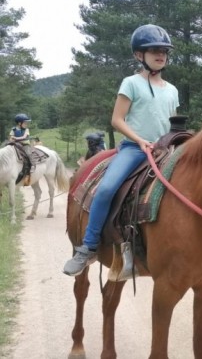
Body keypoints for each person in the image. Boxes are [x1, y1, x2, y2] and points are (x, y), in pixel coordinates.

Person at [64, 24, 179, 276]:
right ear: (139, 55)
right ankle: (89, 246)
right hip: (134, 149)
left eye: (164, 51)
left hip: (165, 149)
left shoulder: (172, 90)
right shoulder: (131, 83)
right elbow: (117, 119)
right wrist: (140, 140)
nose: (161, 55)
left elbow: (172, 122)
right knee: (106, 189)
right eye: (154, 50)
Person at [9, 113, 34, 184]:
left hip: (25, 145)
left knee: (29, 154)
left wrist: (16, 138)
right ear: (19, 123)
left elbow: (24, 137)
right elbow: (11, 138)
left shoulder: (26, 130)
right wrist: (12, 140)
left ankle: (30, 168)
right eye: (25, 122)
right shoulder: (13, 129)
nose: (26, 124)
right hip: (16, 145)